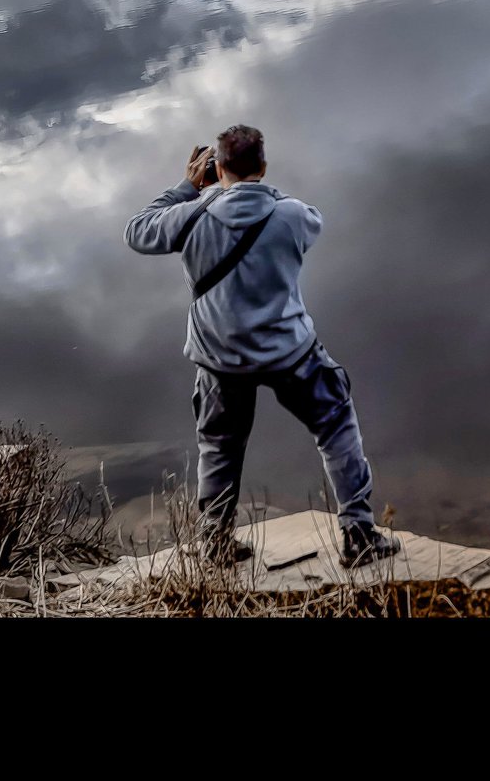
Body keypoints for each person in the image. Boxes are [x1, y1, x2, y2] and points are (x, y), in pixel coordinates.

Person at [124, 124, 401, 569]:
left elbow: (137, 232)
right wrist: (262, 191)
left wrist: (188, 188)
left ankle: (215, 543)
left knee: (218, 446)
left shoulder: (192, 215)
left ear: (216, 167)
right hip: (290, 351)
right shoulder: (292, 214)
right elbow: (312, 219)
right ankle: (358, 533)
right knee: (336, 426)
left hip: (218, 358)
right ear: (263, 166)